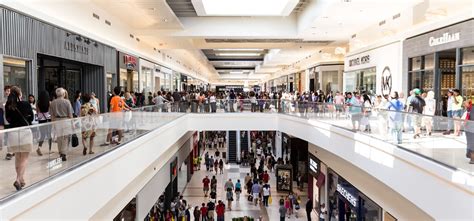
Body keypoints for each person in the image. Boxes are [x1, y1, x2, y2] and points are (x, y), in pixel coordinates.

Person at [5, 86, 34, 191]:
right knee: (25, 158)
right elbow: (32, 117)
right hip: (25, 132)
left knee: (18, 157)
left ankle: (21, 179)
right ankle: (17, 179)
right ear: (19, 94)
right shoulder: (25, 104)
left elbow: (7, 119)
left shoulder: (8, 105)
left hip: (13, 133)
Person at [50, 88, 74, 161]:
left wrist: (53, 124)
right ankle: (64, 153)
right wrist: (72, 123)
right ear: (63, 94)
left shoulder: (53, 102)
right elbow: (70, 114)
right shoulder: (67, 102)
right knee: (65, 137)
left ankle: (60, 152)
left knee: (59, 137)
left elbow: (52, 115)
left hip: (57, 121)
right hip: (66, 120)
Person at [36, 91, 52, 156]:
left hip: (41, 120)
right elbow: (50, 112)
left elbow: (38, 112)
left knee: (42, 134)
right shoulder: (49, 103)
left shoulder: (38, 103)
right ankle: (50, 149)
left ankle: (39, 148)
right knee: (49, 134)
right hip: (48, 120)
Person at [463, 100, 474, 164]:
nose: (464, 105)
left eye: (465, 103)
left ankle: (472, 159)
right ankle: (470, 156)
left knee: (471, 143)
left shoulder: (471, 109)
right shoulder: (468, 109)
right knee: (470, 143)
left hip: (471, 129)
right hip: (469, 129)